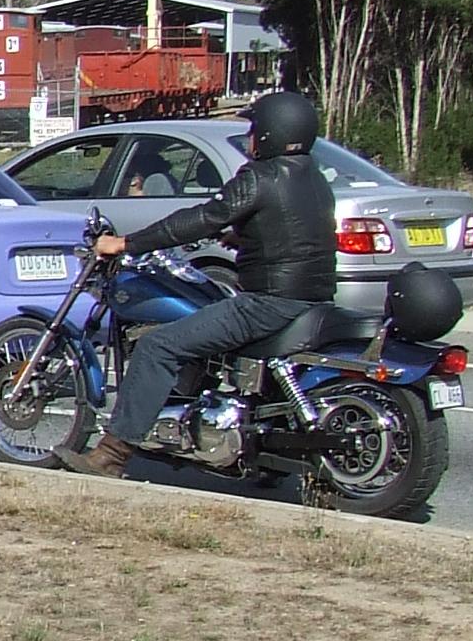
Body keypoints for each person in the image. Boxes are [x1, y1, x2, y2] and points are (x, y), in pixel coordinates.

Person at [55, 90, 336, 477]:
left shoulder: (260, 176)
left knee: (157, 346)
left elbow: (204, 217)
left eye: (254, 129)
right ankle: (264, 462)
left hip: (267, 303)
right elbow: (295, 231)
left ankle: (111, 456)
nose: (251, 137)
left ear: (270, 133)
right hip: (313, 300)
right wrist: (243, 237)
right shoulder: (315, 177)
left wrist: (126, 243)